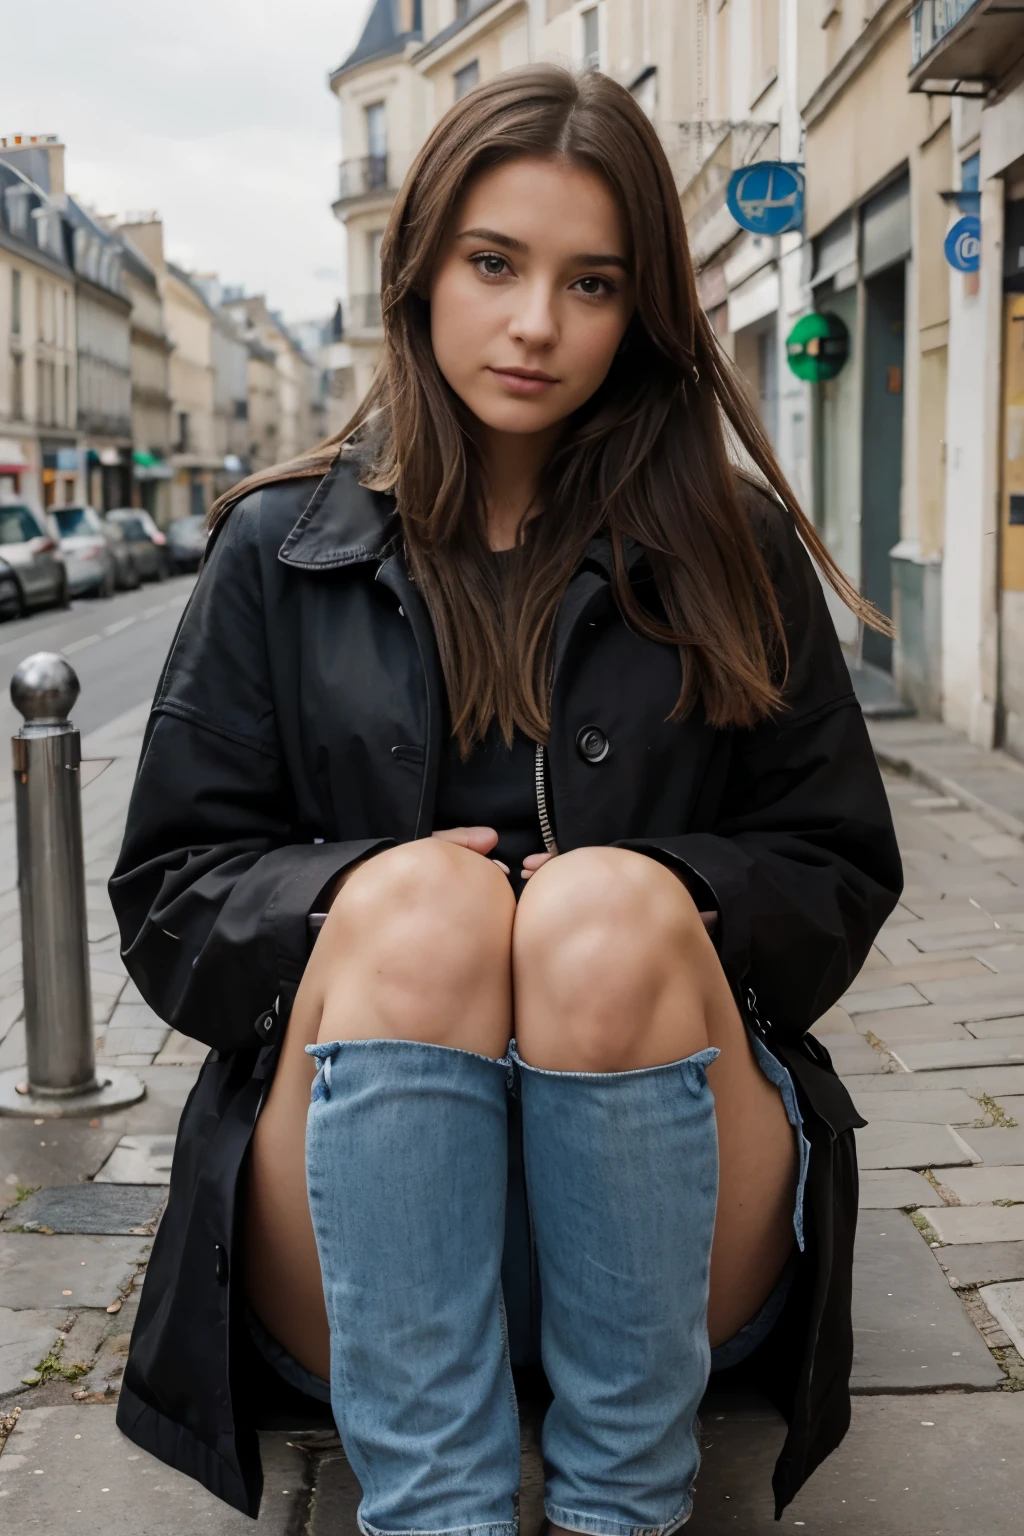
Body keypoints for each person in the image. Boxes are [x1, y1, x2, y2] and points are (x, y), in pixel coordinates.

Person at [110, 65, 902, 1533]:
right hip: (355, 1220)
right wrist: (386, 907)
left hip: (676, 1207)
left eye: (591, 282)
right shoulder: (278, 547)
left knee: (601, 913)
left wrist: (651, 907)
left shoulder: (729, 545)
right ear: (418, 270)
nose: (537, 323)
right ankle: (438, 1511)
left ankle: (625, 1506)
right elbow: (172, 899)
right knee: (419, 908)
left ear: (643, 308)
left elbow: (837, 868)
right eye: (495, 264)